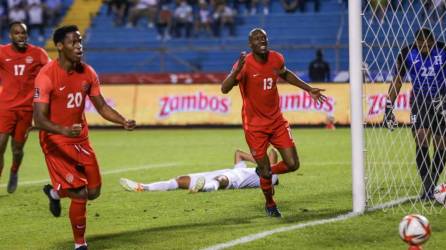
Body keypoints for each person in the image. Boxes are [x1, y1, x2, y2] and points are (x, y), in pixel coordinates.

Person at [33, 25, 136, 250]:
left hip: (80, 141)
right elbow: (38, 120)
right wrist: (62, 130)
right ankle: (80, 245)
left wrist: (122, 121)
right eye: (73, 42)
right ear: (60, 46)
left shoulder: (88, 72)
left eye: (80, 41)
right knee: (79, 192)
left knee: (94, 191)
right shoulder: (46, 76)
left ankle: (55, 191)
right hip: (55, 141)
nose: (79, 46)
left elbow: (101, 106)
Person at [221, 28, 327, 217]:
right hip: (254, 127)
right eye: (257, 38)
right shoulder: (243, 64)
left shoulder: (276, 58)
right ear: (250, 44)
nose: (261, 40)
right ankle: (270, 203)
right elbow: (224, 89)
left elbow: (284, 74)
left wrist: (308, 88)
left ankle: (264, 171)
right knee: (267, 173)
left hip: (277, 122)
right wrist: (236, 71)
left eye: (264, 37)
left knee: (293, 164)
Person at [384, 28, 446, 200]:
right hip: (419, 101)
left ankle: (433, 180)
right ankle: (427, 186)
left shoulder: (443, 49)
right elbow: (397, 80)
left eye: (427, 44)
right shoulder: (406, 53)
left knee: (441, 144)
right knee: (421, 137)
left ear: (433, 42)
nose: (424, 47)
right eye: (420, 45)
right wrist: (389, 106)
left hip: (442, 100)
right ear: (416, 43)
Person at [0, 21, 50, 193]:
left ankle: (14, 171)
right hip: (5, 107)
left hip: (27, 109)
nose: (21, 36)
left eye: (23, 33)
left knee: (17, 148)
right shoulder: (2, 52)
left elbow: (52, 71)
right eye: (17, 33)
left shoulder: (38, 53)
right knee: (0, 145)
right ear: (10, 35)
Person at [120, 148, 279, 193]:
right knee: (179, 180)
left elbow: (273, 153)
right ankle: (143, 187)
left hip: (234, 180)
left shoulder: (270, 178)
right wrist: (258, 161)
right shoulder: (247, 169)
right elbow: (239, 153)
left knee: (222, 179)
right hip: (211, 174)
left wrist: (265, 165)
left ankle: (206, 188)